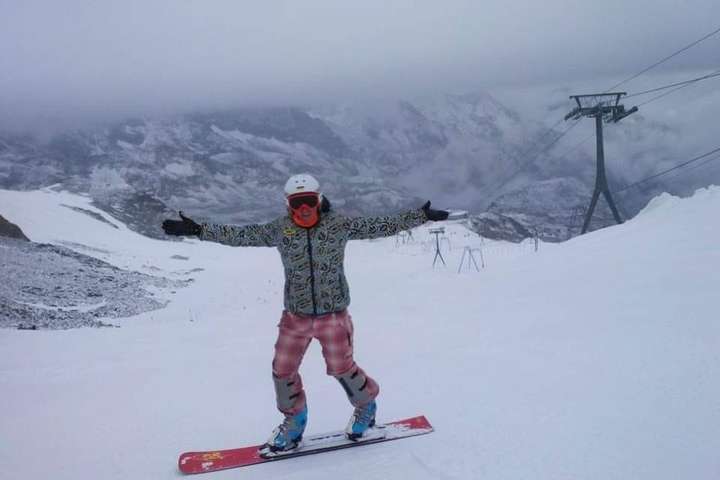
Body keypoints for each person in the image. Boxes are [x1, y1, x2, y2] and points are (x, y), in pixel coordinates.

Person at [162, 174, 448, 453]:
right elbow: (242, 235)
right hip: (295, 316)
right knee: (282, 371)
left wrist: (420, 216)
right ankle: (294, 422)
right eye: (297, 203)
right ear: (288, 204)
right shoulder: (280, 229)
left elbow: (378, 225)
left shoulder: (338, 225)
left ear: (319, 199)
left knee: (341, 368)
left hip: (333, 315)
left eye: (309, 201)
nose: (304, 208)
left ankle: (366, 407)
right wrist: (198, 230)